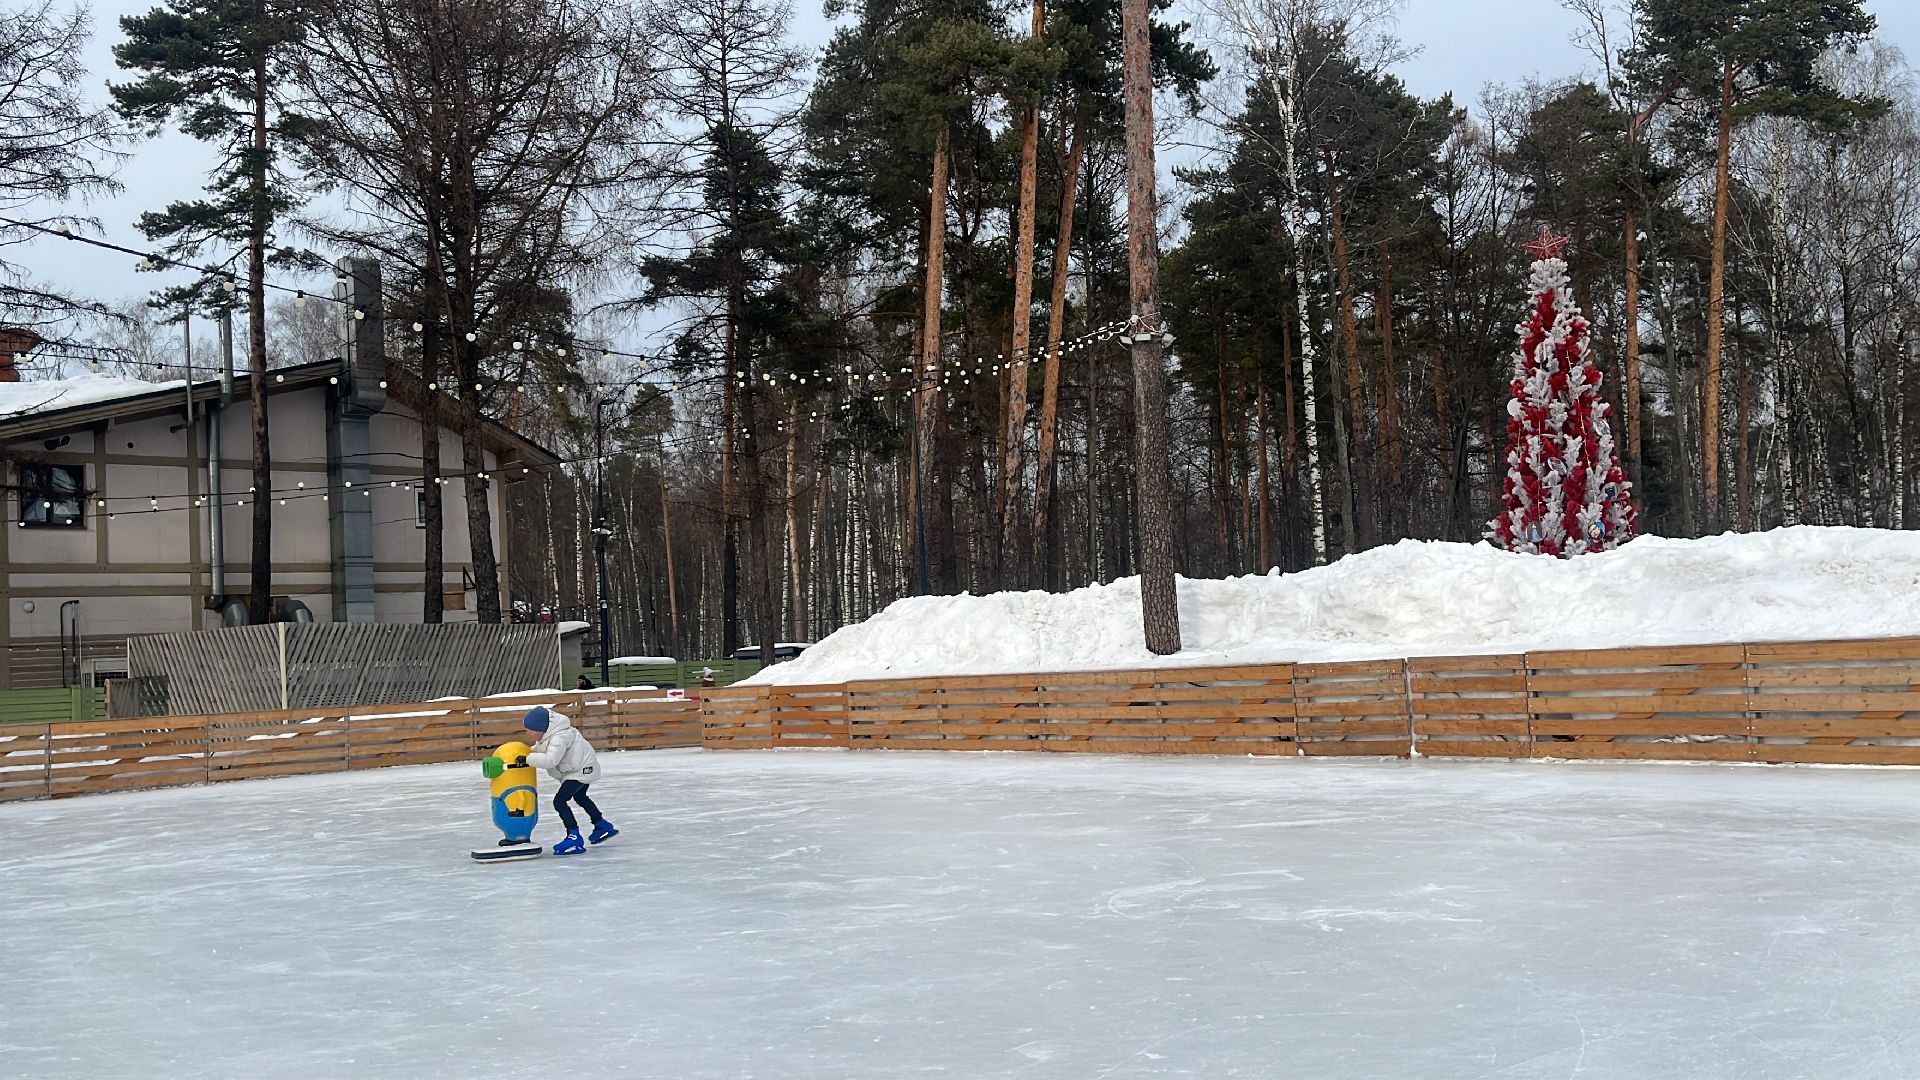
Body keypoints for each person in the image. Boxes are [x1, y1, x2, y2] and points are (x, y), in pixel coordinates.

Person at [521, 705, 617, 855]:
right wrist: (528, 753)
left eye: (528, 730)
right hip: (581, 768)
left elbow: (550, 760)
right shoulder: (550, 734)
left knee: (559, 801)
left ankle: (574, 836)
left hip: (581, 771)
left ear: (539, 729)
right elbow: (542, 749)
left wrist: (527, 759)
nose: (526, 733)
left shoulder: (560, 737)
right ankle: (602, 825)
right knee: (580, 796)